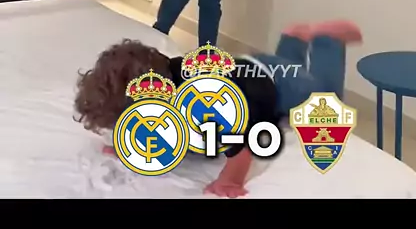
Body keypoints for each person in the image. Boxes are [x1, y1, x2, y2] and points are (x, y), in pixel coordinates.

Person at [74, 20, 362, 199]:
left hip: (276, 82)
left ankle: (329, 42)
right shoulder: (165, 73)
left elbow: (246, 136)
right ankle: (293, 41)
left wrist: (230, 179)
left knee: (326, 100)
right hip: (249, 70)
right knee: (289, 71)